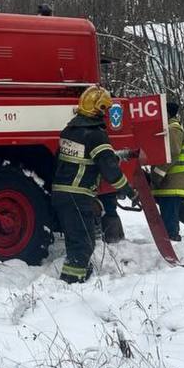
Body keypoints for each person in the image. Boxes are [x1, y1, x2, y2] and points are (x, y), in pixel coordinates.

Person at [52, 86, 133, 283]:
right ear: (100, 109)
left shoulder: (69, 131)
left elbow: (86, 157)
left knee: (74, 239)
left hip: (60, 194)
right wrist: (129, 191)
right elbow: (109, 168)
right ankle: (74, 281)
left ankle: (72, 276)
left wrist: (119, 156)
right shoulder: (96, 135)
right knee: (84, 242)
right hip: (78, 195)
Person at [150, 100, 184, 241]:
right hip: (170, 181)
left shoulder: (173, 129)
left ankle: (172, 241)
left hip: (172, 181)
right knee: (167, 216)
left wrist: (157, 174)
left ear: (167, 114)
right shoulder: (169, 128)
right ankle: (170, 240)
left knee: (169, 219)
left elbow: (172, 153)